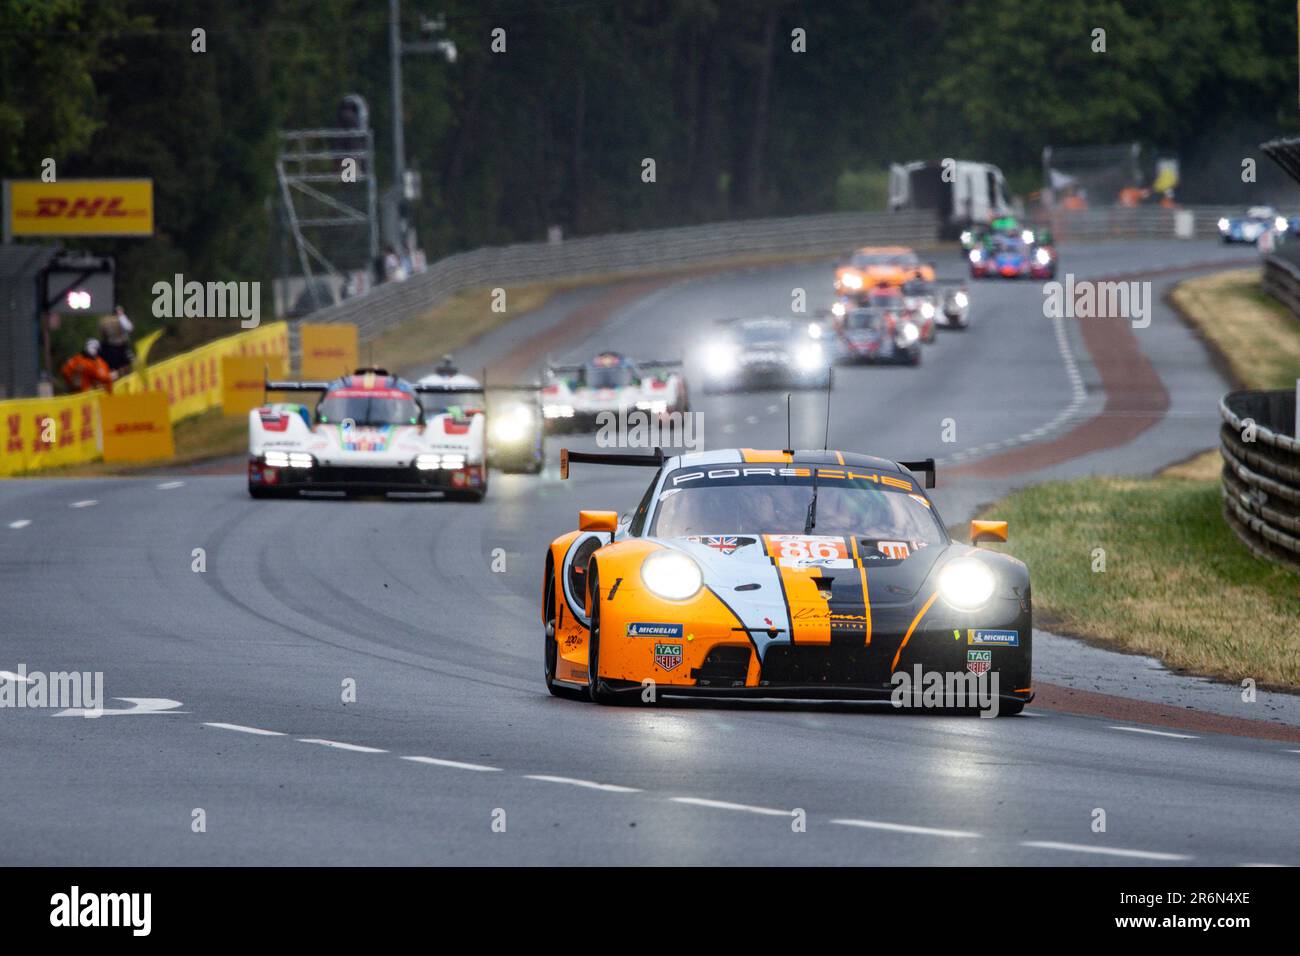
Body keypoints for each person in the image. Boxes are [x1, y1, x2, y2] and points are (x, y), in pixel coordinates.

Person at [97, 305, 135, 373]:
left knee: (115, 367)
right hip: (121, 345)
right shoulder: (119, 319)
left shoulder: (103, 321)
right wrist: (122, 315)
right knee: (127, 365)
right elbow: (129, 328)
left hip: (110, 347)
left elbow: (102, 335)